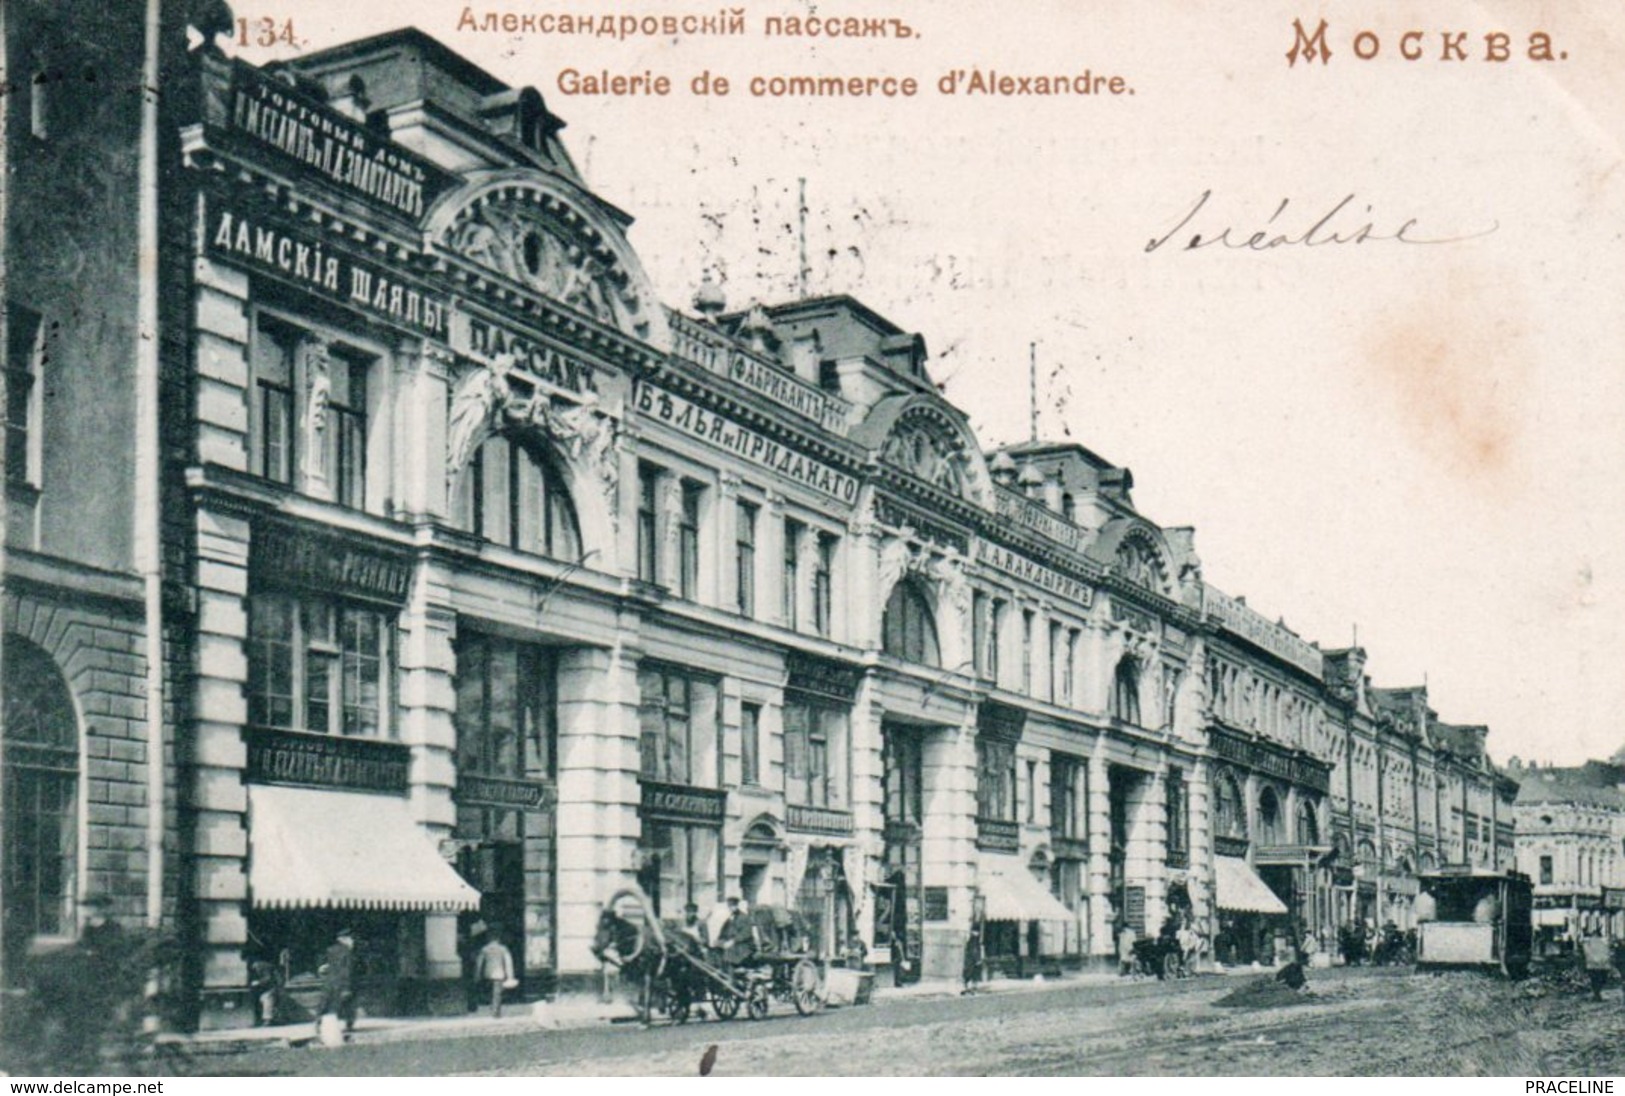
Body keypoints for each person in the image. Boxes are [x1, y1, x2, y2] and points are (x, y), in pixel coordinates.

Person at [317, 928, 358, 1039]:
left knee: (327, 1004)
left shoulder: (330, 950)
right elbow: (347, 969)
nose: (352, 940)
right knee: (348, 1005)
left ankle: (320, 1025)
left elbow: (323, 966)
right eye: (351, 938)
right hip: (343, 982)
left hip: (330, 981)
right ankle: (348, 1026)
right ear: (344, 939)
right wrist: (347, 986)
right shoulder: (347, 952)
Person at [476, 930, 517, 1018]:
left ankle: (492, 1008)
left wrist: (477, 974)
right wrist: (510, 976)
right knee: (497, 994)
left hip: (487, 973)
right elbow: (508, 963)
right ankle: (496, 1012)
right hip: (499, 974)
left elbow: (479, 963)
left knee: (490, 992)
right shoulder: (503, 949)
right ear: (498, 938)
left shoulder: (484, 949)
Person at [1580, 930, 1612, 1001]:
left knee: (1595, 981)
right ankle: (1597, 994)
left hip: (1593, 966)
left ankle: (1597, 994)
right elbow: (1608, 953)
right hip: (1602, 966)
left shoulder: (1589, 943)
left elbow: (1586, 953)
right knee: (1601, 980)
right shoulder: (1603, 943)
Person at [961, 921, 985, 995]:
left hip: (971, 960)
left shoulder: (973, 939)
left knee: (971, 973)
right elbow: (974, 950)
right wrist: (977, 959)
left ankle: (969, 987)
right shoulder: (973, 940)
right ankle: (968, 987)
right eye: (976, 932)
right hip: (971, 960)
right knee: (971, 973)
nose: (977, 933)